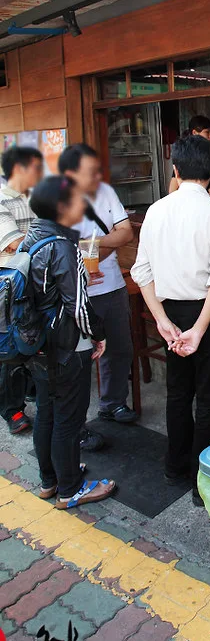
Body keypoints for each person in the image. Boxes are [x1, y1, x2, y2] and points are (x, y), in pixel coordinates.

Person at [131, 134, 210, 507]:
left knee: (178, 393)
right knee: (209, 397)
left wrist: (160, 320)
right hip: (206, 316)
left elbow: (141, 272)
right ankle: (202, 482)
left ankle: (174, 468)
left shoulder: (156, 211)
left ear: (174, 170)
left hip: (171, 314)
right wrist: (200, 330)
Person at [22, 176, 115, 509]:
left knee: (46, 412)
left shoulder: (30, 239)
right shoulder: (64, 247)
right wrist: (99, 336)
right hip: (66, 346)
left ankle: (50, 480)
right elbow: (79, 308)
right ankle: (71, 489)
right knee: (69, 418)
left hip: (35, 343)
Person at [59, 144, 137, 424]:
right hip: (75, 292)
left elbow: (126, 232)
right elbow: (59, 248)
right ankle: (75, 424)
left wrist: (91, 249)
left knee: (120, 348)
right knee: (78, 357)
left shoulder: (106, 192)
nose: (95, 176)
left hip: (112, 285)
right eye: (88, 171)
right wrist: (87, 260)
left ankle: (112, 403)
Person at [0, 146, 44, 435]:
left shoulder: (32, 197)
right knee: (9, 348)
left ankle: (30, 389)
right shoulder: (1, 199)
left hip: (33, 282)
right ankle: (11, 409)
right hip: (9, 288)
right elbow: (14, 243)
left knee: (32, 338)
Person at [168, 116, 210, 198]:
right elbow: (172, 191)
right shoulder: (185, 156)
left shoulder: (207, 155)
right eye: (207, 132)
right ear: (194, 132)